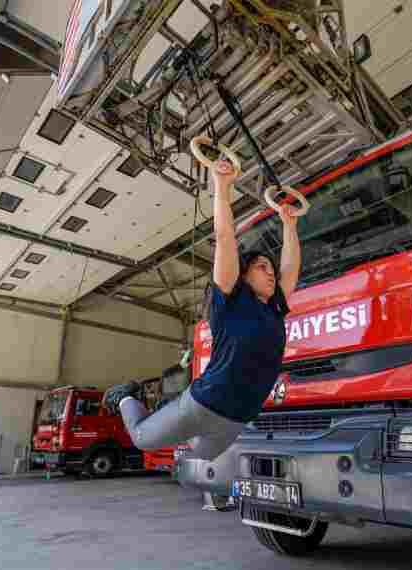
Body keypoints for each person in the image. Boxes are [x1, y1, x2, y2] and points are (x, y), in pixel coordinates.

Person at [103, 157, 302, 488]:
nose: (271, 272)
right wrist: (222, 186)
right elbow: (224, 238)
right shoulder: (230, 300)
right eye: (261, 267)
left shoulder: (275, 309)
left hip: (235, 419)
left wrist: (289, 223)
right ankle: (125, 396)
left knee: (198, 459)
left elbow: (291, 268)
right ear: (242, 273)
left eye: (271, 267)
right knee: (141, 438)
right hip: (202, 404)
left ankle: (169, 413)